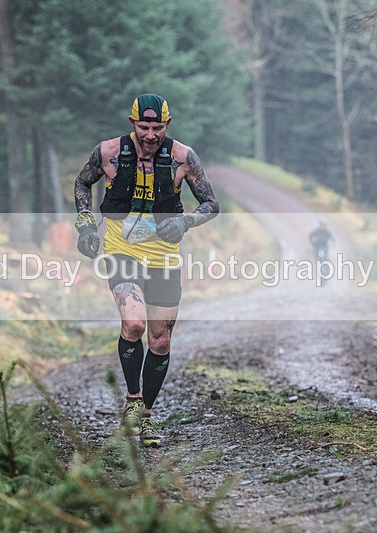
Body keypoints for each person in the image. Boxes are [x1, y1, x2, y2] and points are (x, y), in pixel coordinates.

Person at [73, 93, 219, 447]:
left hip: (164, 255)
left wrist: (185, 223)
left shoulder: (184, 158)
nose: (150, 135)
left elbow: (211, 204)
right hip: (121, 249)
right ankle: (134, 401)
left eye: (157, 128)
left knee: (161, 339)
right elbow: (82, 183)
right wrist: (86, 224)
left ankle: (146, 417)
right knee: (134, 322)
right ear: (132, 123)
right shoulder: (108, 152)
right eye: (143, 127)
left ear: (166, 125)